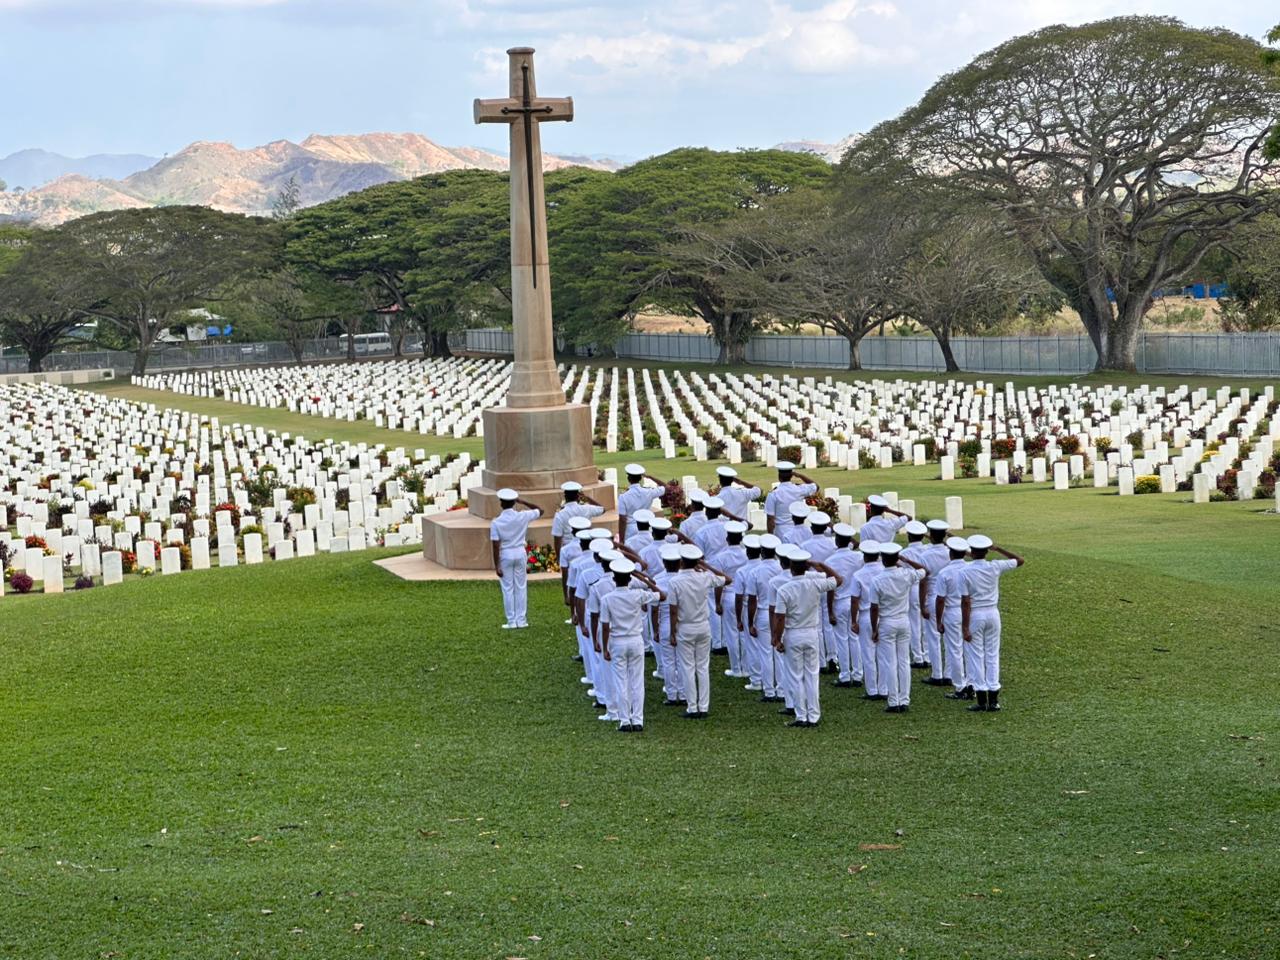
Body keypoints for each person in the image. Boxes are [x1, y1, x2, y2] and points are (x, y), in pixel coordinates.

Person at [773, 550, 843, 727]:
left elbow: (780, 617)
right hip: (811, 633)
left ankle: (801, 715)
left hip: (794, 633)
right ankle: (813, 715)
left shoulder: (784, 589)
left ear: (790, 569)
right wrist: (819, 565)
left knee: (796, 676)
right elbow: (838, 580)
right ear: (805, 567)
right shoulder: (814, 584)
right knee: (812, 675)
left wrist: (777, 638)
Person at [960, 534, 1025, 712]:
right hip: (993, 613)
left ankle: (982, 697)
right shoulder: (995, 566)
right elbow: (1019, 560)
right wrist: (998, 549)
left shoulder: (965, 571)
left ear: (971, 552)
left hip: (976, 614)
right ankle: (994, 698)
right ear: (987, 552)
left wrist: (965, 627)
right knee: (992, 655)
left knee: (976, 656)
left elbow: (965, 602)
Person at [600, 559, 665, 733]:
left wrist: (605, 647)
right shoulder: (638, 594)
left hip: (617, 641)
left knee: (621, 681)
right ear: (629, 579)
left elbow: (605, 626)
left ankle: (624, 720)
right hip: (636, 640)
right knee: (637, 681)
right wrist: (640, 576)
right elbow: (661, 594)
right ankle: (638, 720)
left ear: (614, 579)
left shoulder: (607, 599)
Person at [667, 545, 731, 719]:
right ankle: (703, 706)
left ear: (681, 561)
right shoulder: (704, 577)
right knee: (702, 667)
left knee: (688, 668)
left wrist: (672, 632)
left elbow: (673, 610)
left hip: (685, 627)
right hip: (703, 626)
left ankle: (692, 707)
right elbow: (727, 579)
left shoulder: (675, 582)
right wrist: (706, 567)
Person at [868, 543, 927, 713]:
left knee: (890, 662)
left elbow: (874, 607)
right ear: (896, 559)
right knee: (903, 661)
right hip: (903, 620)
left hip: (887, 621)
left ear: (883, 560)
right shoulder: (906, 574)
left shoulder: (877, 580)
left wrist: (874, 628)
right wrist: (906, 561)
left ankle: (894, 701)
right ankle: (905, 699)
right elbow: (924, 571)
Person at [489, 488, 541, 630]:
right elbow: (540, 510)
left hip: (505, 553)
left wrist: (497, 565)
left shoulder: (496, 522)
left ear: (501, 503)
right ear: (514, 502)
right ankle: (521, 620)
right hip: (519, 552)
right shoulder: (522, 516)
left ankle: (511, 621)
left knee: (508, 589)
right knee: (520, 587)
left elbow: (495, 546)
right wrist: (522, 501)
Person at [744, 534, 784, 702]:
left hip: (763, 614)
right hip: (780, 614)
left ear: (761, 551)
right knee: (780, 653)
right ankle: (782, 690)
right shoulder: (781, 569)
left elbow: (752, 600)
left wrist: (750, 622)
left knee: (765, 653)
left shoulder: (755, 572)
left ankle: (769, 691)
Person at [709, 521, 750, 679]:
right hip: (744, 595)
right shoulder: (747, 554)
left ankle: (736, 667)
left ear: (727, 538)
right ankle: (746, 667)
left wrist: (718, 602)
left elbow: (720, 582)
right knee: (744, 632)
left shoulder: (721, 557)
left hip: (729, 595)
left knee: (732, 633)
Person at [934, 536, 973, 701]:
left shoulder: (945, 572)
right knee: (971, 650)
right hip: (970, 611)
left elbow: (940, 599)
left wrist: (938, 621)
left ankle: (961, 686)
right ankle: (973, 683)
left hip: (952, 612)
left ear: (950, 553)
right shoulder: (970, 568)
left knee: (955, 650)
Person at [825, 523, 864, 688]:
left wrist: (830, 611)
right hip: (855, 601)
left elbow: (831, 588)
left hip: (840, 602)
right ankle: (857, 674)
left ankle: (845, 676)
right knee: (854, 639)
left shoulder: (830, 561)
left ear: (837, 541)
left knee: (842, 640)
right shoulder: (858, 557)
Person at [919, 520, 953, 686]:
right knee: (949, 638)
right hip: (951, 598)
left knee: (933, 637)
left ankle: (937, 673)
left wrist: (922, 603)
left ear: (930, 535)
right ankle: (948, 673)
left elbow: (923, 581)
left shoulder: (925, 555)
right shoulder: (950, 552)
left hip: (933, 596)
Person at [851, 540, 885, 700]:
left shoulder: (858, 575)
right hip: (884, 615)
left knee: (868, 654)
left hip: (865, 615)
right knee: (883, 654)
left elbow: (854, 600)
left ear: (864, 557)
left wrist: (853, 620)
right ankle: (884, 688)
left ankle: (872, 690)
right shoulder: (884, 571)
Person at [651, 545, 685, 705]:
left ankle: (672, 695)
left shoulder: (657, 579)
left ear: (664, 563)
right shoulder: (684, 579)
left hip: (665, 624)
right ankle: (684, 694)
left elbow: (654, 609)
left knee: (668, 661)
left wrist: (655, 629)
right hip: (683, 624)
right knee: (683, 661)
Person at [732, 534, 765, 690]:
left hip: (750, 609)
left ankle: (757, 680)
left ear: (747, 552)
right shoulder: (770, 567)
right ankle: (769, 679)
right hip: (769, 609)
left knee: (752, 646)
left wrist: (739, 619)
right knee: (767, 647)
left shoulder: (742, 571)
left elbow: (739, 598)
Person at [900, 520, 931, 668]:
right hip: (928, 588)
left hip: (913, 588)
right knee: (926, 623)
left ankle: (918, 656)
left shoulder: (904, 553)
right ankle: (927, 655)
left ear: (909, 536)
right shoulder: (927, 550)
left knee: (914, 623)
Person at [551, 481, 604, 556]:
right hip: (585, 548)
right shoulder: (586, 508)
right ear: (578, 496)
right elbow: (602, 509)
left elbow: (557, 538)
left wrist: (559, 559)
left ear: (565, 496)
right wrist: (587, 499)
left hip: (569, 551)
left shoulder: (560, 514)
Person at [558, 516, 594, 628]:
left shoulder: (566, 550)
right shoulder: (596, 553)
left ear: (572, 531)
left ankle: (575, 616)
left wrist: (566, 596)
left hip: (578, 591)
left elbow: (565, 575)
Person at [763, 461, 817, 533]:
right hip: (796, 529)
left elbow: (770, 518)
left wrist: (770, 536)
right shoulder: (799, 489)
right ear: (791, 476)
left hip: (781, 531)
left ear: (779, 477)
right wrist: (800, 475)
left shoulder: (773, 494)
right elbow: (816, 486)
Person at [618, 464, 662, 539]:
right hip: (646, 529)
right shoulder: (649, 492)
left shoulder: (623, 497)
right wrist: (651, 477)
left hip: (630, 530)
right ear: (641, 478)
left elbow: (622, 519)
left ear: (628, 478)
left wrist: (621, 540)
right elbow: (666, 487)